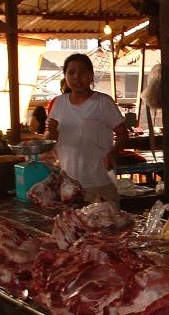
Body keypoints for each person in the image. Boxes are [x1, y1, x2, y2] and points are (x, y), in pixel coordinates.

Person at [44, 53, 127, 203]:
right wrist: (51, 132)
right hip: (68, 184)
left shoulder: (103, 102)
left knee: (105, 224)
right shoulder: (59, 103)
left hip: (99, 182)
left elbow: (123, 134)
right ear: (65, 76)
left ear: (90, 76)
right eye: (71, 72)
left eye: (82, 72)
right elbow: (49, 140)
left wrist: (112, 153)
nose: (76, 77)